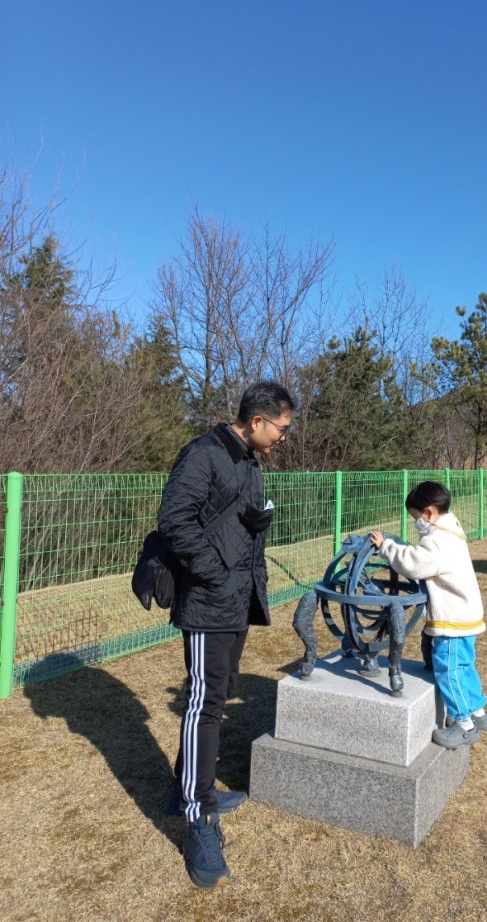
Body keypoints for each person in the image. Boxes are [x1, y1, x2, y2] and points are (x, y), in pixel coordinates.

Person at [157, 380, 295, 888]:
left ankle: (187, 785)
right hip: (209, 601)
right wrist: (215, 570)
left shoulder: (249, 462)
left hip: (238, 599)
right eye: (281, 427)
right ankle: (198, 815)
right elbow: (174, 521)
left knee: (218, 695)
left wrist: (253, 524)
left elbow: (224, 521)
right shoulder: (204, 454)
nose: (284, 437)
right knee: (204, 702)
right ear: (257, 421)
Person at [369, 481, 487, 750]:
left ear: (429, 513)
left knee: (449, 671)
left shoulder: (437, 541)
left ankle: (464, 724)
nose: (416, 524)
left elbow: (414, 563)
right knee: (465, 666)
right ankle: (478, 713)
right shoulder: (451, 529)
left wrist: (385, 547)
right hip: (466, 616)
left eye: (416, 518)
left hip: (453, 619)